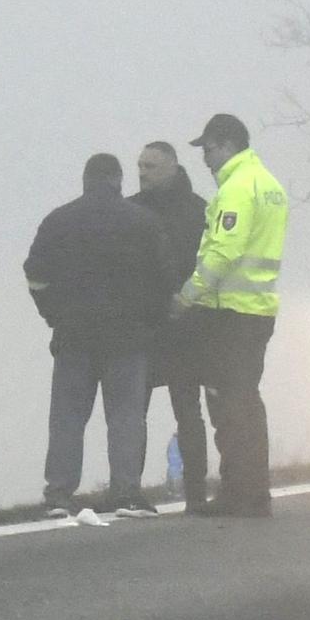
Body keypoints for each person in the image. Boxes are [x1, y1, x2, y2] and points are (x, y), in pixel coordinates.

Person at [23, 152, 175, 514]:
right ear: (118, 180)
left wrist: (52, 314)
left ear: (85, 180)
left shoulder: (58, 221)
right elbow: (165, 280)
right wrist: (150, 321)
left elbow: (35, 275)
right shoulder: (143, 222)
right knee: (125, 417)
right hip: (127, 337)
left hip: (73, 335)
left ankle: (58, 495)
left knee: (68, 419)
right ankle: (124, 492)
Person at [178, 113, 288, 517]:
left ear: (226, 145)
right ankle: (254, 490)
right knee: (247, 402)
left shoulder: (237, 188)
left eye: (208, 150)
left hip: (229, 314)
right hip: (257, 310)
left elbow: (224, 251)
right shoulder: (269, 184)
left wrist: (188, 296)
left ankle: (237, 492)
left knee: (228, 405)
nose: (205, 160)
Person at [132, 140, 211, 509]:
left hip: (185, 325)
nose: (143, 173)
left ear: (173, 167)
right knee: (134, 412)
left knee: (188, 411)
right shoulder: (129, 211)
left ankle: (196, 492)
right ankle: (129, 493)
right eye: (140, 167)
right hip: (143, 326)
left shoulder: (200, 212)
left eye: (151, 167)